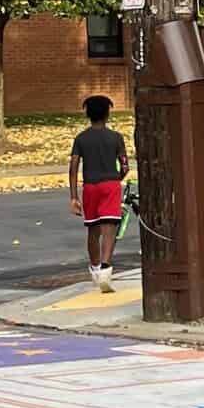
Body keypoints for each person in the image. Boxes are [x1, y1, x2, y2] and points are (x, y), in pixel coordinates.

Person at [69, 95, 128, 292]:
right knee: (109, 227)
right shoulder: (116, 137)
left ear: (88, 114)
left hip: (90, 187)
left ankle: (94, 269)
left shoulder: (81, 138)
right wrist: (117, 177)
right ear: (107, 113)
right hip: (110, 184)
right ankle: (105, 267)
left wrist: (74, 196)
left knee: (93, 229)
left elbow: (74, 166)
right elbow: (125, 165)